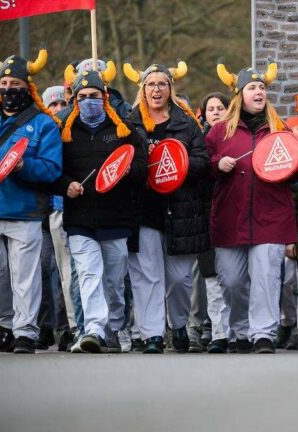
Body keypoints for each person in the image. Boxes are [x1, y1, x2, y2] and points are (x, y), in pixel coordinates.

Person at [207, 60, 298, 354]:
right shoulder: (219, 131)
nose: (259, 92)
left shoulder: (279, 128)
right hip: (229, 218)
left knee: (266, 278)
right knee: (232, 282)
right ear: (240, 95)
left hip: (270, 216)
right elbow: (201, 166)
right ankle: (239, 331)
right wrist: (216, 165)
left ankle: (263, 334)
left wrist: (296, 156)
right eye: (252, 87)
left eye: (262, 87)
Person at [55, 68, 146, 353]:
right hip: (80, 218)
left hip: (116, 217)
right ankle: (93, 329)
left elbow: (141, 168)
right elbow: (54, 170)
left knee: (114, 281)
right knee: (88, 273)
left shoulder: (124, 129)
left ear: (104, 96)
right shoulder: (64, 132)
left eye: (93, 96)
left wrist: (128, 171)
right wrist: (66, 184)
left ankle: (117, 327)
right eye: (82, 97)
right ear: (75, 99)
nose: (88, 101)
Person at [123, 60, 209, 353]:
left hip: (181, 210)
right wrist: (142, 162)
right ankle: (152, 335)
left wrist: (180, 162)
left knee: (180, 278)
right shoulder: (129, 123)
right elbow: (121, 163)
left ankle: (179, 324)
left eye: (162, 84)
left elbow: (203, 160)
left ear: (170, 89)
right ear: (143, 90)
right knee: (147, 276)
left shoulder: (186, 122)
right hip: (143, 211)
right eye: (150, 84)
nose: (156, 89)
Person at [0, 48, 63, 353]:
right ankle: (6, 322)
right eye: (4, 86)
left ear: (28, 87)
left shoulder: (44, 124)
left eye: (16, 86)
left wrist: (24, 166)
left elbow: (52, 169)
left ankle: (26, 331)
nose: (9, 91)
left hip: (26, 211)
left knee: (26, 276)